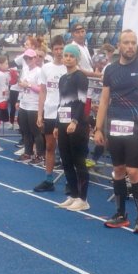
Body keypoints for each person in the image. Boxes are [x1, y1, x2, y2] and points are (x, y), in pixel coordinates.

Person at [93, 29, 138, 233]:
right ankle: (121, 214)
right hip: (114, 125)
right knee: (118, 170)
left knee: (133, 170)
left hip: (136, 124)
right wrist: (98, 128)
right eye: (126, 42)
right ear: (119, 46)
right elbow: (104, 100)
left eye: (133, 42)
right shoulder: (110, 70)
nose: (130, 46)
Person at [54, 43, 92, 211]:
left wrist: (75, 121)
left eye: (71, 56)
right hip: (63, 122)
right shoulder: (63, 78)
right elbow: (61, 102)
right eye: (66, 56)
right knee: (66, 160)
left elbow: (82, 102)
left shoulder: (81, 77)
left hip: (77, 125)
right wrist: (57, 124)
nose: (68, 59)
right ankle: (74, 195)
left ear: (77, 59)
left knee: (78, 161)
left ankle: (83, 199)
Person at [34, 37, 68, 191]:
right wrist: (39, 114)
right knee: (49, 146)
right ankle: (49, 180)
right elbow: (43, 91)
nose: (59, 52)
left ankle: (70, 181)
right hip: (49, 112)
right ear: (52, 50)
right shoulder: (46, 68)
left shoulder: (69, 67)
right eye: (56, 49)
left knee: (66, 148)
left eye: (61, 48)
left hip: (65, 113)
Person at [14, 49, 43, 162]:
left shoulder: (39, 71)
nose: (28, 60)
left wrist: (29, 85)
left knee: (36, 131)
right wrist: (18, 100)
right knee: (25, 130)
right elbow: (22, 85)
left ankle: (40, 155)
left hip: (34, 105)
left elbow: (41, 89)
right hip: (24, 103)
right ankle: (28, 153)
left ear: (35, 58)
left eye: (30, 58)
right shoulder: (25, 70)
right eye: (26, 58)